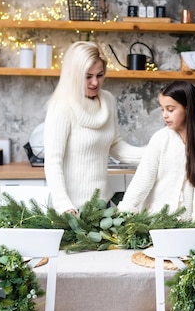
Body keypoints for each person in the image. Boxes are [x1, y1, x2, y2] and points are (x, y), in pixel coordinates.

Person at [44, 41, 144, 215]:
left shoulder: (108, 100)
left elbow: (114, 145)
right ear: (73, 75)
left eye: (100, 75)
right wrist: (64, 206)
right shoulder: (61, 106)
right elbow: (53, 161)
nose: (95, 83)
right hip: (71, 210)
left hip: (102, 206)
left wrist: (154, 153)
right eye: (87, 76)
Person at [117, 81, 195, 220]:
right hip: (154, 219)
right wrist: (125, 210)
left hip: (185, 222)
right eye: (162, 109)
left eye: (170, 109)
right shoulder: (160, 138)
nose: (164, 115)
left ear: (188, 108)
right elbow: (143, 178)